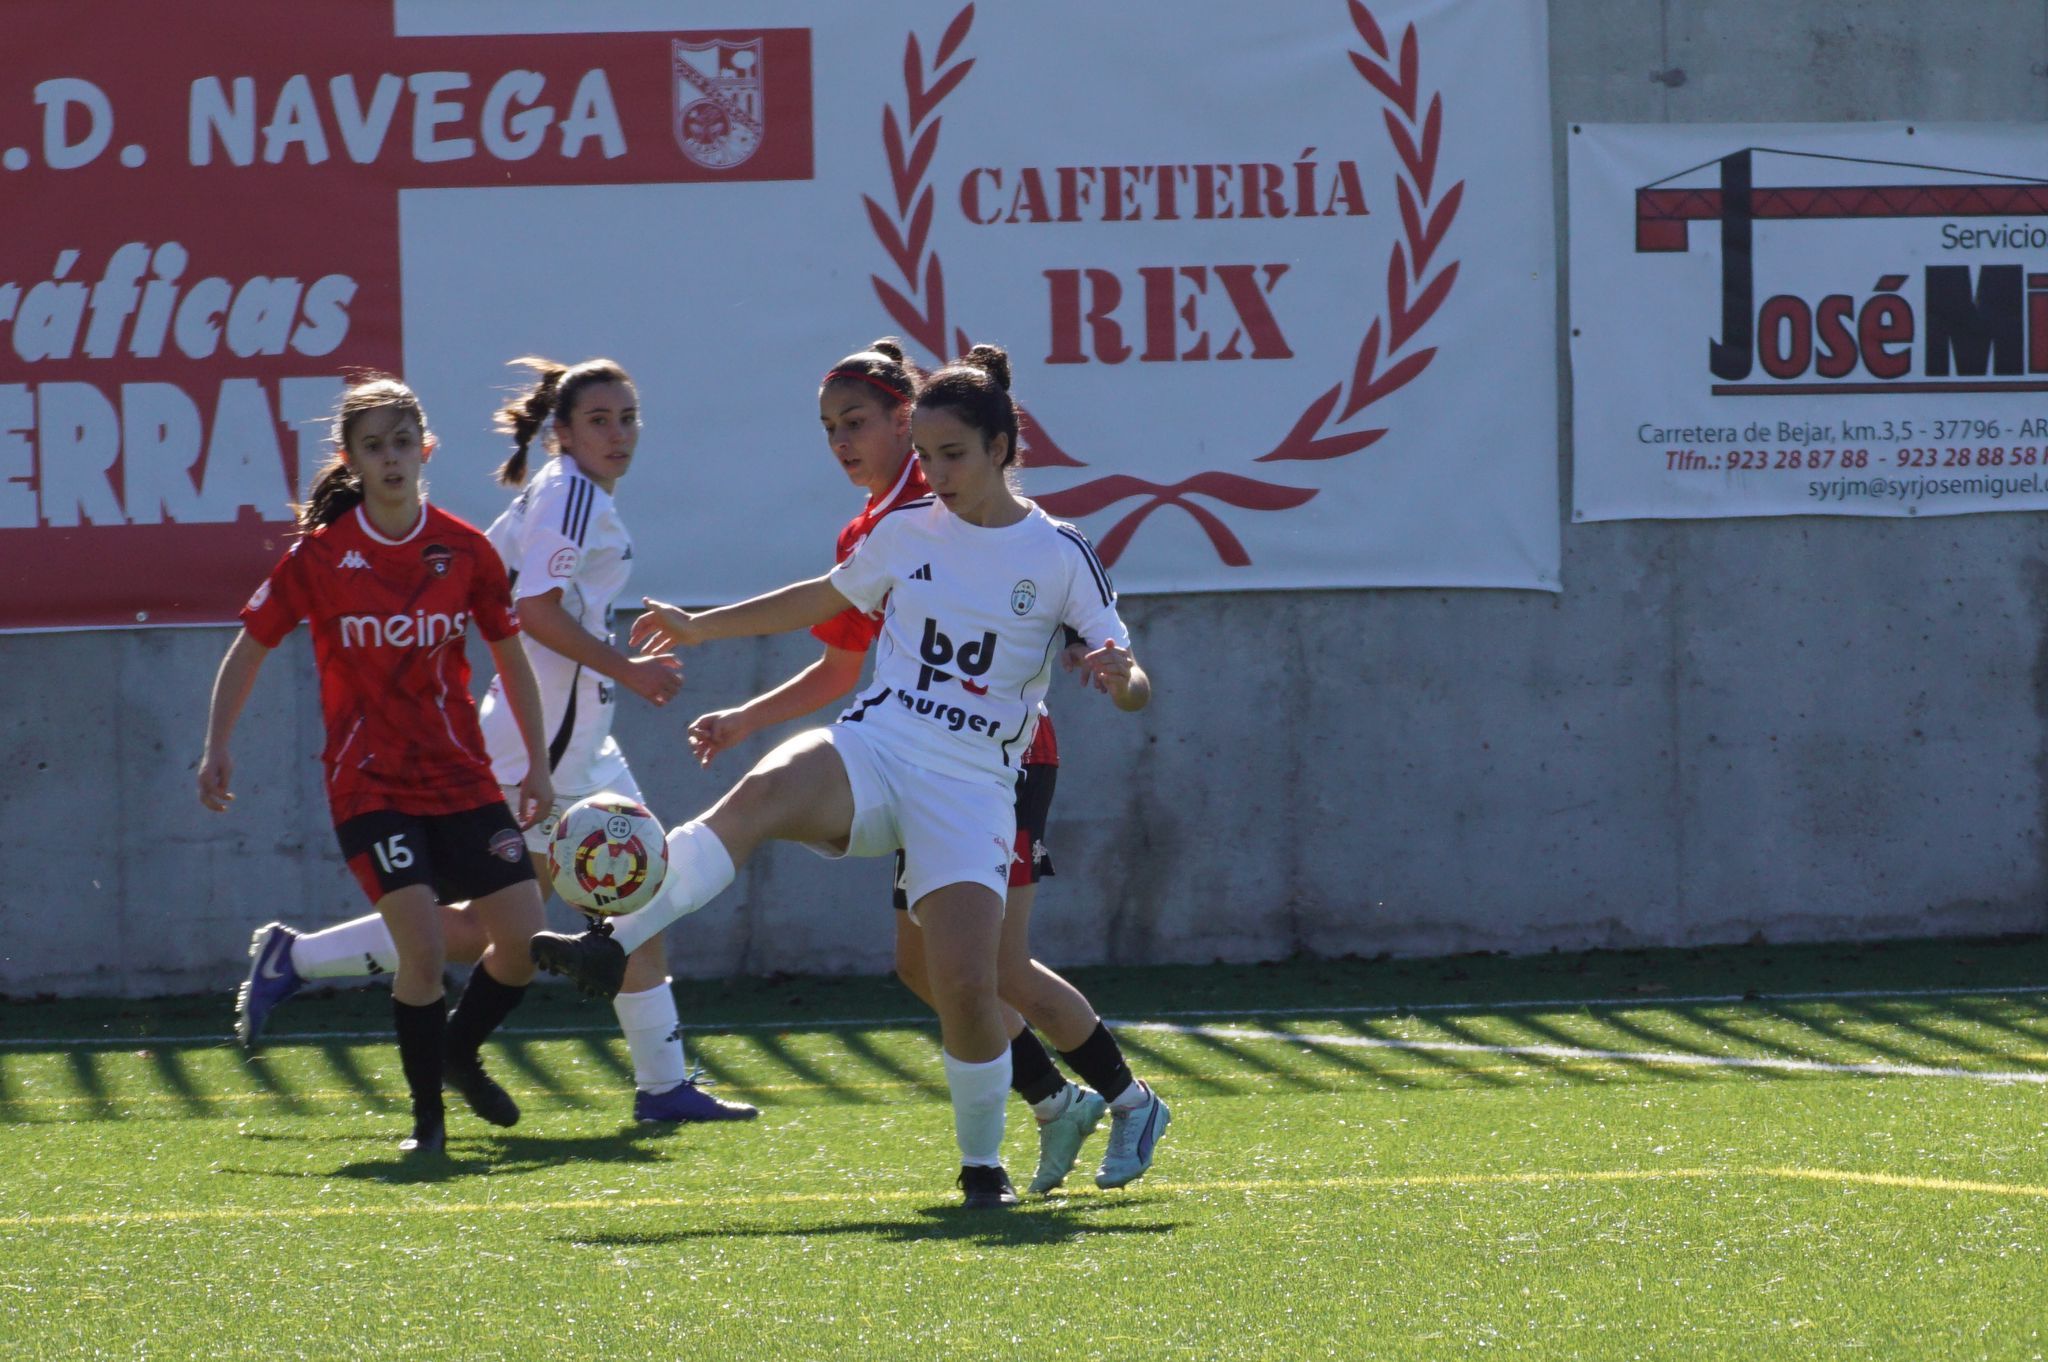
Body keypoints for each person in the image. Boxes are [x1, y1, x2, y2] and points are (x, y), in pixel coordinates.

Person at [532, 343, 1155, 1207]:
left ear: (1003, 449)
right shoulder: (902, 532)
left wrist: (1120, 678)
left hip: (974, 784)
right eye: (927, 456)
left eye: (953, 456)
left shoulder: (1058, 555)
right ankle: (613, 942)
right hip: (880, 745)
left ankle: (985, 1168)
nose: (934, 474)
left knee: (968, 984)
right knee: (759, 795)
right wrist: (705, 629)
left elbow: (1128, 675)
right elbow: (820, 599)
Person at [230, 358, 756, 1124]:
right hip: (543, 743)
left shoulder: (566, 495)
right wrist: (630, 672)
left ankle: (659, 1084)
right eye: (599, 421)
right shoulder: (570, 495)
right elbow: (534, 609)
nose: (618, 434)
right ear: (562, 435)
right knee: (545, 913)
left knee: (590, 902)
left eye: (628, 417)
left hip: (574, 739)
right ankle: (308, 964)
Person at [197, 375, 549, 1156]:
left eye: (401, 443)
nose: (390, 458)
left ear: (424, 450)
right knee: (421, 948)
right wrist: (218, 743)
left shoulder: (467, 550)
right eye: (373, 446)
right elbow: (250, 644)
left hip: (462, 778)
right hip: (371, 785)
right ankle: (428, 1126)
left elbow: (511, 659)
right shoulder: (321, 560)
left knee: (524, 940)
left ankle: (458, 1049)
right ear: (350, 461)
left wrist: (537, 766)